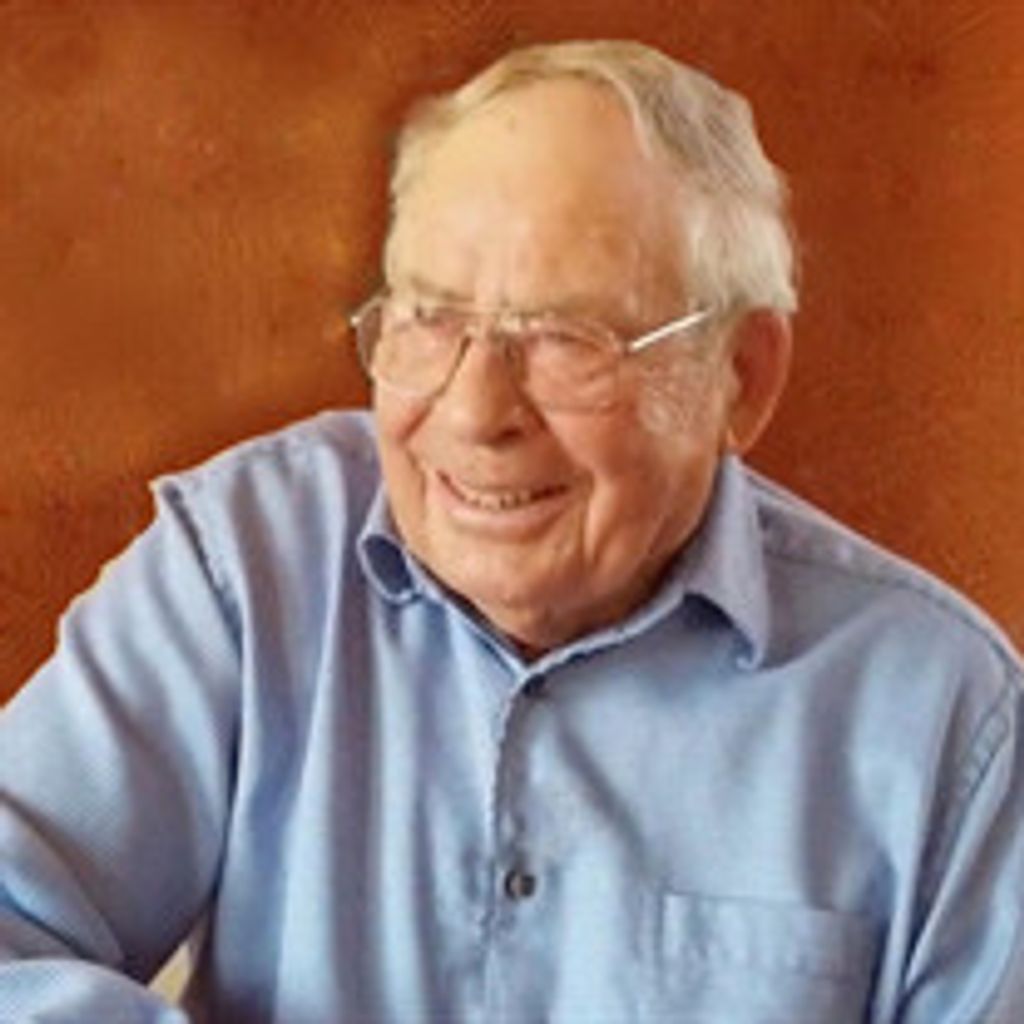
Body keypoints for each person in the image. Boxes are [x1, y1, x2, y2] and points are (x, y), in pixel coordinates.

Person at [1, 38, 1022, 1024]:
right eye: (429, 319)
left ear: (739, 377)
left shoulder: (943, 719)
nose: (474, 412)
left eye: (567, 339)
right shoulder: (248, 564)